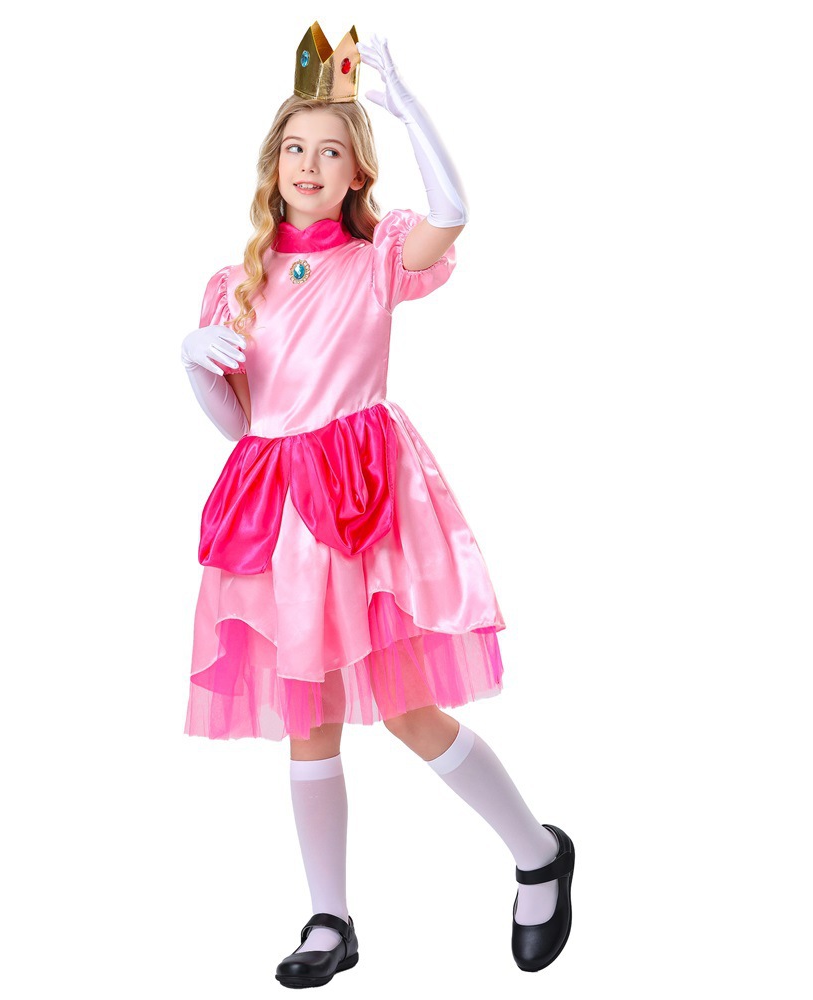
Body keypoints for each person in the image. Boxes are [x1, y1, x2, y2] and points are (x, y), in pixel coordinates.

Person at [180, 24, 575, 987]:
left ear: (358, 172)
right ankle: (330, 920)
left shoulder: (375, 260)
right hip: (281, 517)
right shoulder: (237, 285)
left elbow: (453, 211)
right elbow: (241, 425)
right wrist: (191, 364)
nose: (309, 165)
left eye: (331, 151)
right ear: (272, 164)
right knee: (308, 718)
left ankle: (538, 854)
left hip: (359, 505)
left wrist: (409, 109)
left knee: (407, 709)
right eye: (295, 148)